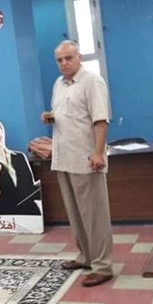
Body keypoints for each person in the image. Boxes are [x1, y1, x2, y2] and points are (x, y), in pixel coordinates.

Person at [40, 40, 114, 288]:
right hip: (63, 158)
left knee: (94, 216)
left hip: (86, 159)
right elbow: (69, 116)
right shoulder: (58, 84)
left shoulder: (92, 81)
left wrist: (98, 152)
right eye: (59, 60)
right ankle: (85, 256)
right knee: (76, 214)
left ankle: (102, 266)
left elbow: (100, 120)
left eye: (69, 58)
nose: (64, 63)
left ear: (79, 57)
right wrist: (51, 117)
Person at [0, 117, 41, 216]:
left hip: (32, 213)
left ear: (2, 131)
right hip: (8, 216)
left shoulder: (19, 157)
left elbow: (29, 187)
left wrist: (39, 187)